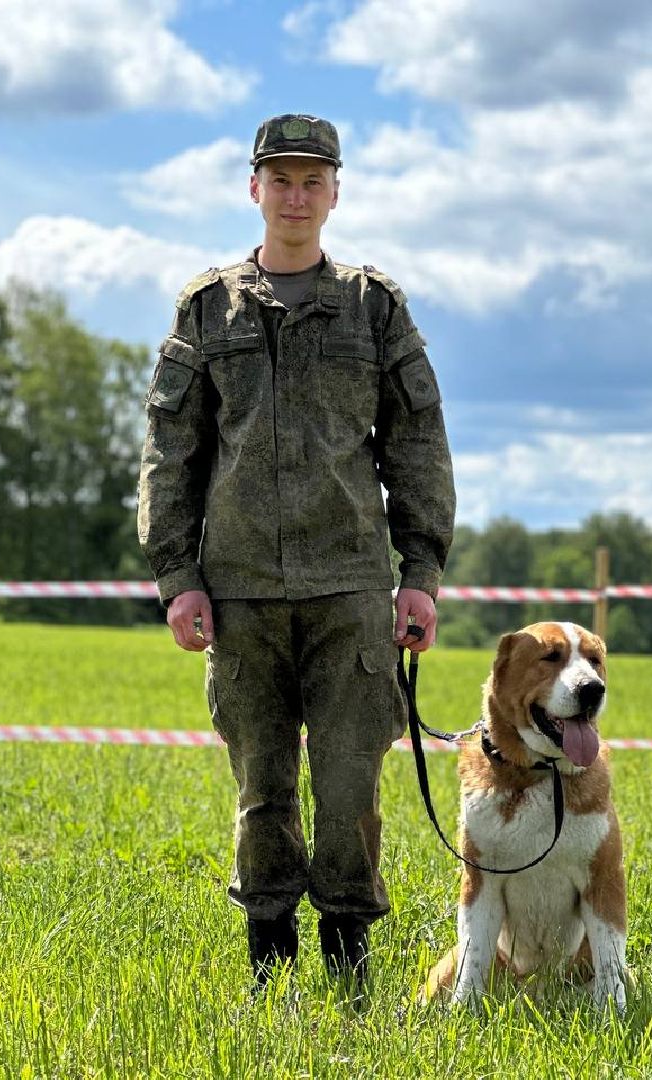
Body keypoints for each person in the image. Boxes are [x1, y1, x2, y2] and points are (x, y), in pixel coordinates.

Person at [136, 113, 456, 993]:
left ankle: (349, 976)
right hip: (240, 591)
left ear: (335, 193)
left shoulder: (374, 307)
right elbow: (172, 453)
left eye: (314, 180)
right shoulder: (208, 308)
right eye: (281, 179)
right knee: (263, 792)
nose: (296, 196)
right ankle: (269, 974)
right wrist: (178, 577)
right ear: (254, 188)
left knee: (350, 791)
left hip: (350, 589)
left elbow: (417, 446)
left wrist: (420, 574)